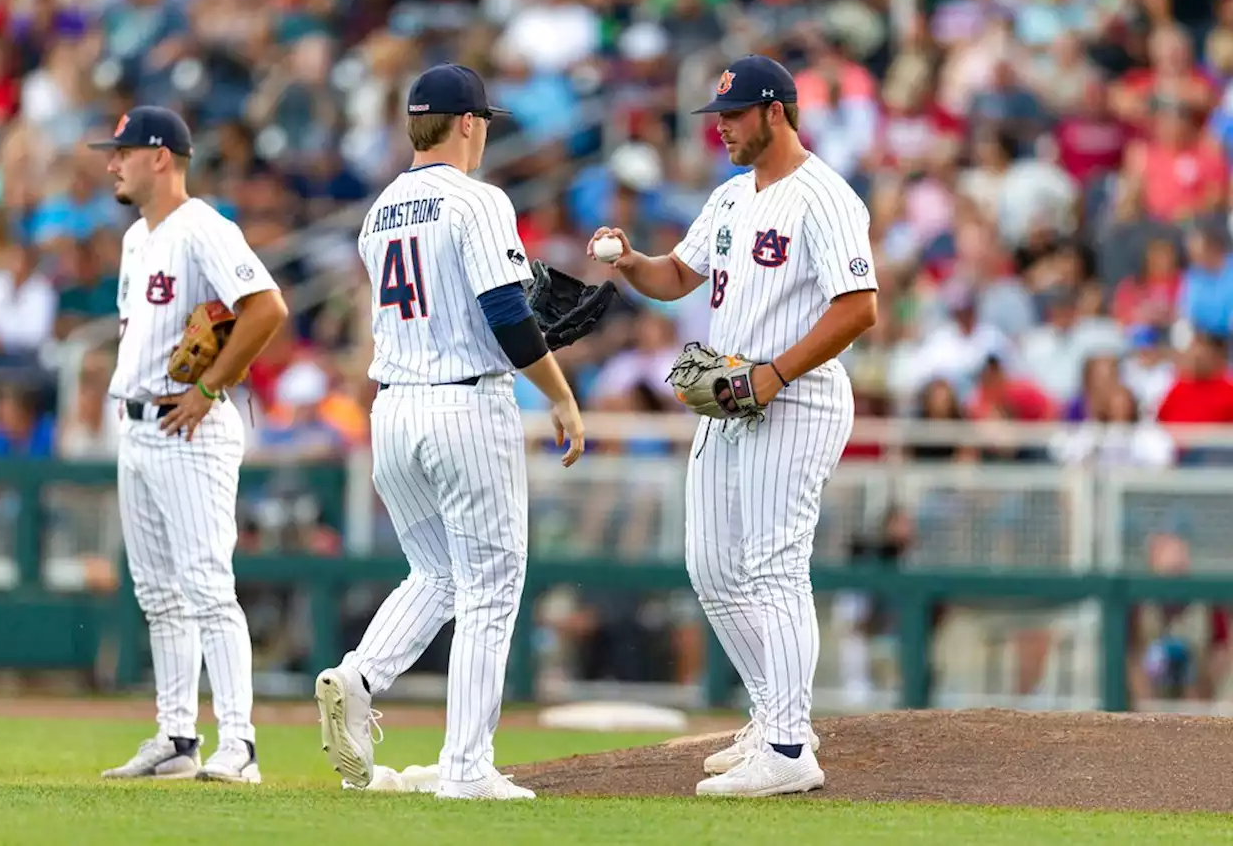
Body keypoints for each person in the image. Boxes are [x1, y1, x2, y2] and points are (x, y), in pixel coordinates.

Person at [589, 54, 878, 797]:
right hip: (729, 391)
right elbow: (677, 276)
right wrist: (628, 262)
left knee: (775, 566)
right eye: (718, 115)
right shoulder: (726, 198)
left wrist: (775, 372)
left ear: (776, 112)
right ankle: (777, 716)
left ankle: (787, 748)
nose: (720, 128)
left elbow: (858, 305)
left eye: (733, 114)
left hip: (799, 394)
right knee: (713, 567)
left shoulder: (825, 196)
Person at [313, 64, 585, 801]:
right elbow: (503, 310)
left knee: (435, 572)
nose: (487, 130)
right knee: (492, 587)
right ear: (467, 122)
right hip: (463, 403)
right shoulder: (477, 200)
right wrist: (560, 392)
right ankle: (466, 766)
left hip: (394, 405)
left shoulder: (379, 211)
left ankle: (360, 675)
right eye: (485, 119)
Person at [89, 106, 289, 784]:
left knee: (207, 585)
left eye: (123, 152)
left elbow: (267, 306)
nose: (112, 162)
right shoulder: (134, 240)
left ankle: (241, 744)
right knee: (157, 592)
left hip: (191, 427)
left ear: (162, 157)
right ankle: (178, 736)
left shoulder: (202, 226)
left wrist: (210, 388)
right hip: (139, 423)